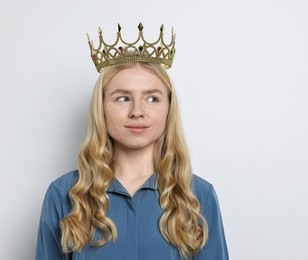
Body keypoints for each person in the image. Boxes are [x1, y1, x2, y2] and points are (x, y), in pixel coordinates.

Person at [35, 23, 229, 260]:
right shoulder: (64, 194)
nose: (137, 111)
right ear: (101, 108)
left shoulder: (198, 195)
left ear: (169, 109)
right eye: (123, 98)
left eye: (152, 98)